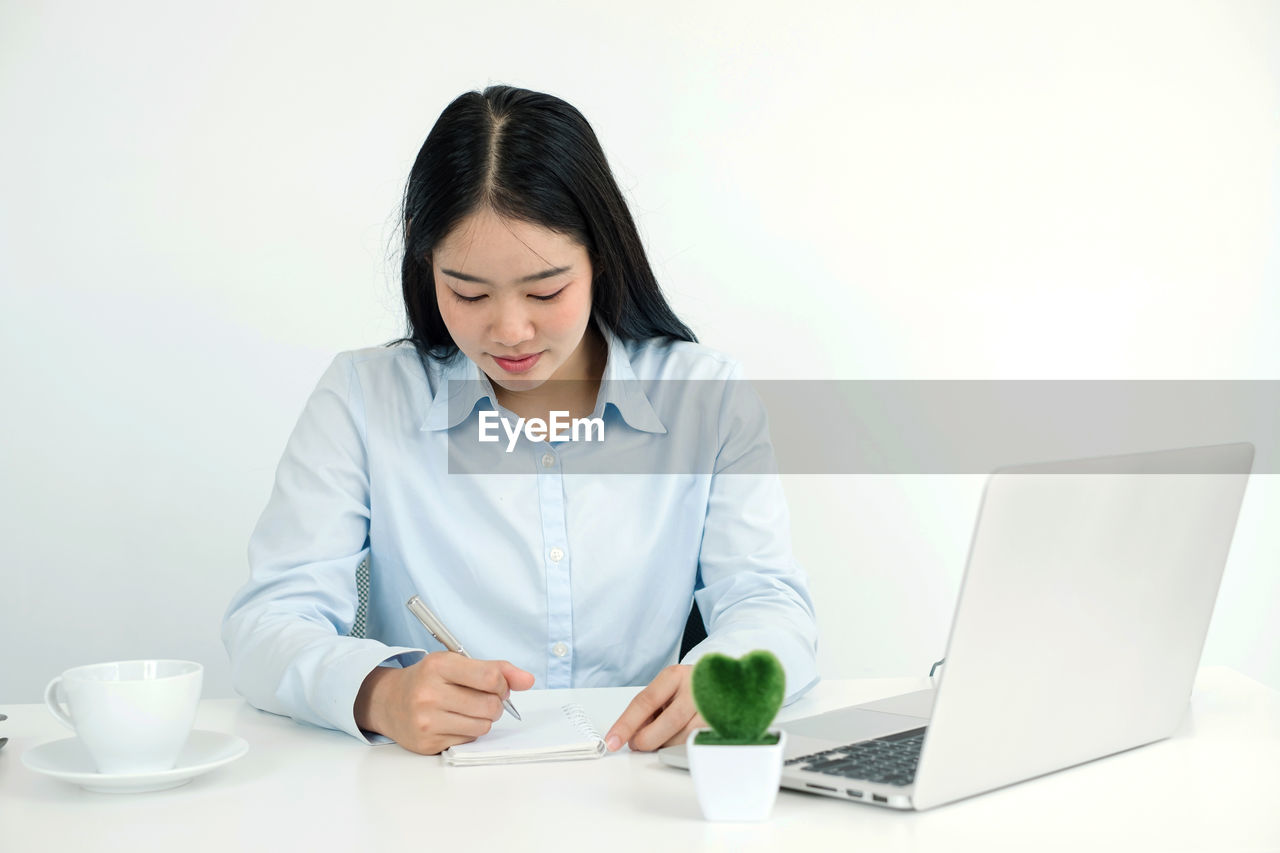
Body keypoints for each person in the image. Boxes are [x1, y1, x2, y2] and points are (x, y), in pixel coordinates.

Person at [221, 85, 818, 756]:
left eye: (546, 290)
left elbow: (771, 604)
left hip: (637, 783)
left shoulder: (704, 395)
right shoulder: (365, 396)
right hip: (433, 795)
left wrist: (724, 677)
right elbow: (267, 622)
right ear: (427, 266)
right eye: (468, 292)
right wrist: (378, 693)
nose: (509, 329)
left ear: (601, 255)